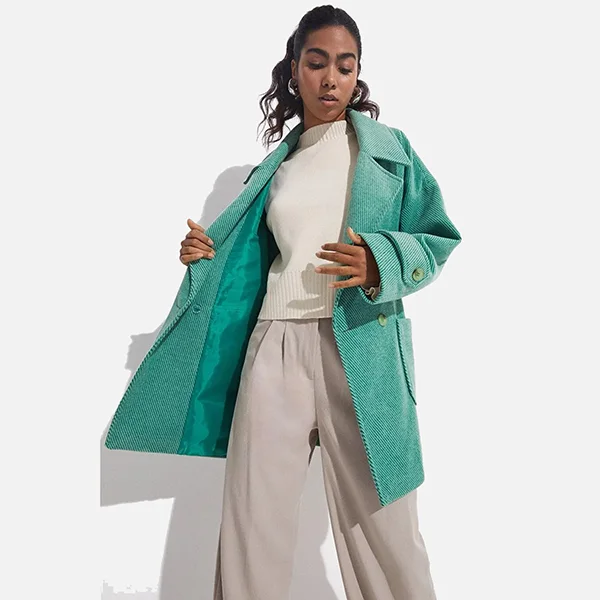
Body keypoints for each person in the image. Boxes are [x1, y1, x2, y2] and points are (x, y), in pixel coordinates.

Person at [105, 5, 462, 599]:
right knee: (253, 523)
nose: (331, 79)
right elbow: (249, 263)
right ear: (294, 69)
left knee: (386, 527)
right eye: (317, 63)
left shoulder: (390, 152)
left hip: (361, 345)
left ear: (358, 74)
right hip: (274, 349)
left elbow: (438, 236)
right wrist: (203, 255)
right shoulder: (275, 169)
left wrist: (382, 261)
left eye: (345, 66)